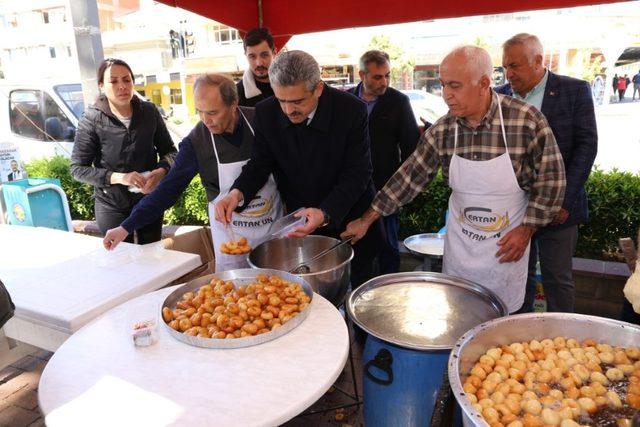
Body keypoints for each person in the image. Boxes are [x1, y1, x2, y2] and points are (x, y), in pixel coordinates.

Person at [342, 46, 566, 314]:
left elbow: (552, 180)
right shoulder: (444, 130)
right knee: (459, 317)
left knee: (505, 330)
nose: (446, 94)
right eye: (443, 84)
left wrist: (527, 229)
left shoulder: (526, 121)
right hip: (462, 248)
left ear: (484, 83)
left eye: (455, 86)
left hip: (507, 248)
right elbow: (409, 177)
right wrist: (367, 219)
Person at [215, 50, 384, 289]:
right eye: (281, 100)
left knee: (358, 295)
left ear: (318, 89)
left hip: (349, 219)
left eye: (297, 101)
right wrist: (237, 192)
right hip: (302, 225)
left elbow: (358, 172)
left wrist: (325, 212)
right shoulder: (266, 112)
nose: (288, 110)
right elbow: (260, 163)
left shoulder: (351, 110)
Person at [103, 74, 283, 272]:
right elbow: (168, 189)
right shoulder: (197, 142)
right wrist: (126, 226)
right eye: (200, 112)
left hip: (272, 232)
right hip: (231, 239)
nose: (206, 120)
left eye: (213, 112)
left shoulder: (261, 121)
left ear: (234, 104)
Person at [496, 33, 598, 313]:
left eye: (515, 66)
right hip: (516, 208)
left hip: (560, 210)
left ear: (538, 61)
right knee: (518, 278)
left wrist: (563, 201)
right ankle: (519, 339)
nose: (509, 73)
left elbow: (586, 147)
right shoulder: (500, 96)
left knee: (558, 279)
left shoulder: (574, 90)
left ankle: (561, 340)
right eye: (505, 67)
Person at [71, 58, 177, 245]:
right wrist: (120, 177)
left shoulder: (150, 112)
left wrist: (161, 172)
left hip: (149, 199)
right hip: (111, 204)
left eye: (126, 80)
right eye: (113, 81)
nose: (122, 86)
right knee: (119, 260)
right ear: (102, 86)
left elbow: (170, 152)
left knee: (151, 256)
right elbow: (77, 169)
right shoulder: (91, 119)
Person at [347, 50, 418, 274]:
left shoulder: (399, 101)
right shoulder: (346, 101)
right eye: (378, 77)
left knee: (388, 246)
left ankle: (390, 289)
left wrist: (400, 189)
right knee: (355, 244)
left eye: (387, 75)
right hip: (352, 190)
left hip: (387, 188)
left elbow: (411, 149)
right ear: (362, 75)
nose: (384, 82)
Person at [236, 28, 276, 107]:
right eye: (252, 57)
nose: (259, 63)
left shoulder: (291, 85)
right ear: (246, 56)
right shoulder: (237, 95)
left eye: (264, 55)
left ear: (274, 53)